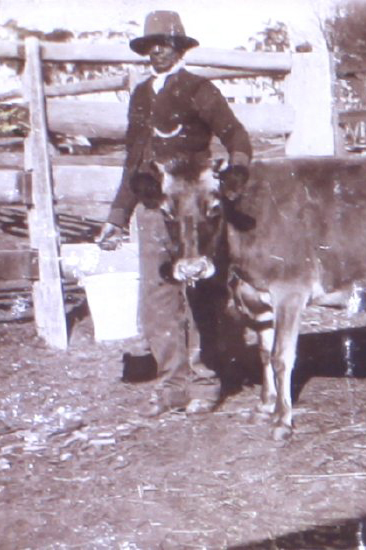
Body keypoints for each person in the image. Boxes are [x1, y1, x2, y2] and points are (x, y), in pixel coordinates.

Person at [97, 10, 252, 417]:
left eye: (165, 44)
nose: (157, 52)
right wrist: (117, 216)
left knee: (200, 288)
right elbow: (134, 160)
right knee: (158, 293)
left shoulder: (198, 89)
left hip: (193, 208)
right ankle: (172, 383)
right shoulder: (141, 94)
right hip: (154, 208)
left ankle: (205, 379)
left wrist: (234, 170)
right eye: (150, 45)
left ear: (180, 47)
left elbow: (235, 133)